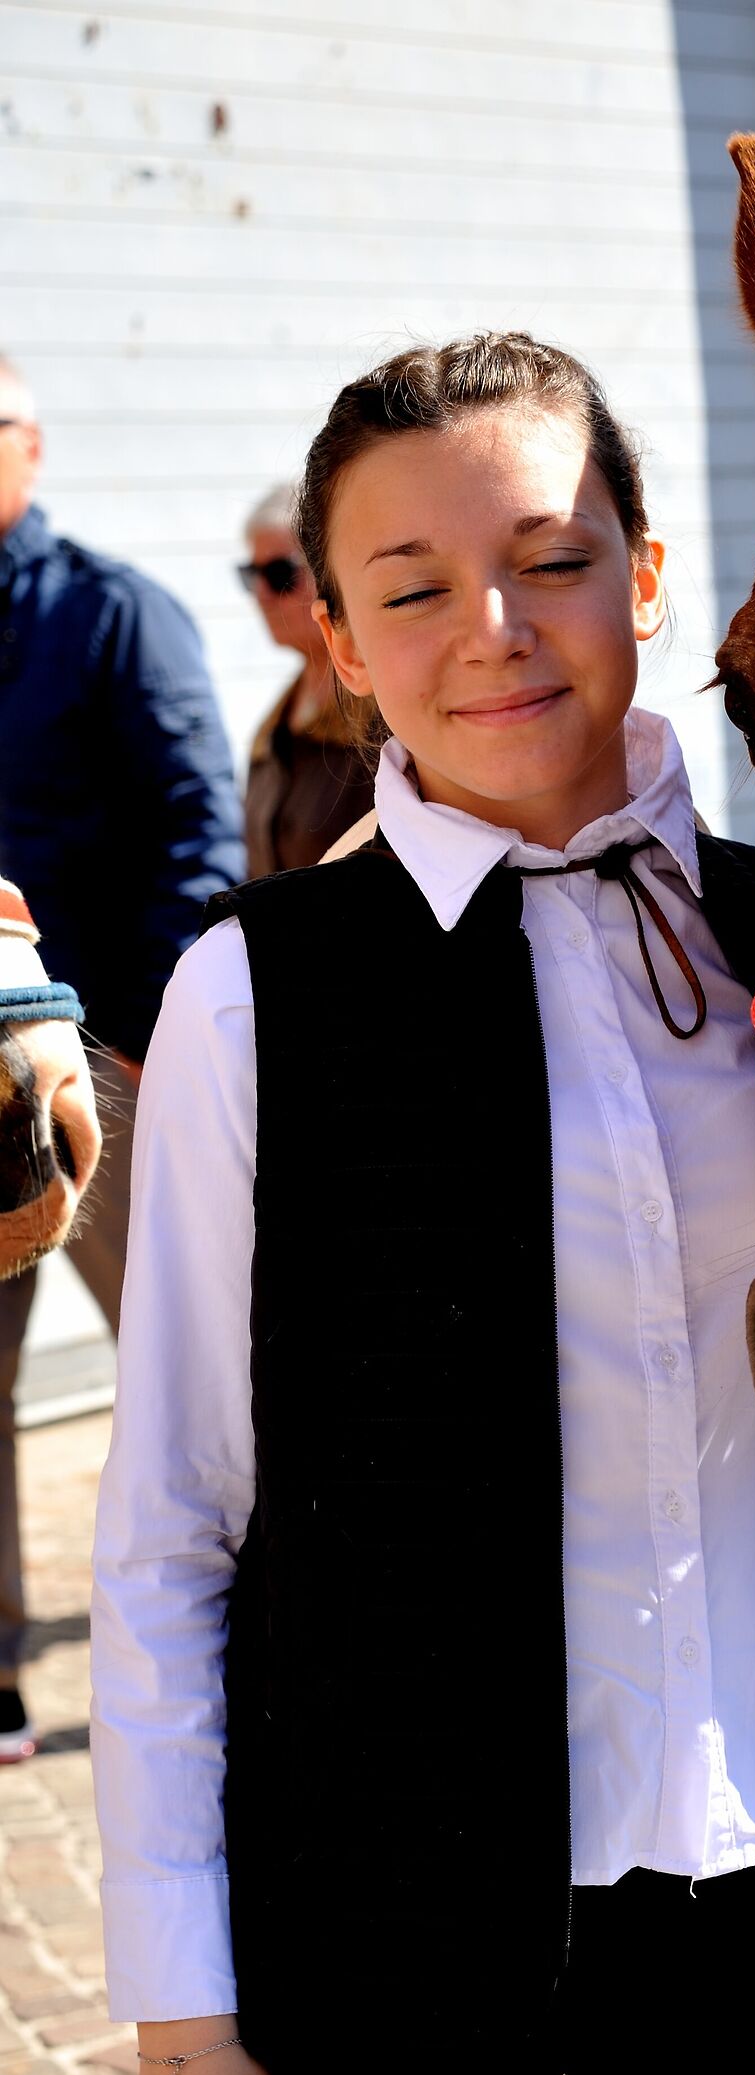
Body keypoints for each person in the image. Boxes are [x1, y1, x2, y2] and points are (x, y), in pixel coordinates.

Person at [90, 334, 755, 2075]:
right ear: (329, 634)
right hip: (386, 1901)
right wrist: (184, 2034)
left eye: (549, 558)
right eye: (407, 584)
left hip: (750, 1859)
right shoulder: (258, 996)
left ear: (652, 573)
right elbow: (171, 1531)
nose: (490, 633)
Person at [0, 350, 240, 1762]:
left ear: (27, 441)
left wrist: (151, 1050)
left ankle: (234, 1624)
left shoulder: (113, 614)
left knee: (183, 1357)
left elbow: (196, 831)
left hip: (104, 1061)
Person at [237, 485, 370, 877]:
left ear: (332, 573)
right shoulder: (279, 718)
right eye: (251, 575)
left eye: (279, 574)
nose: (260, 594)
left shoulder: (386, 717)